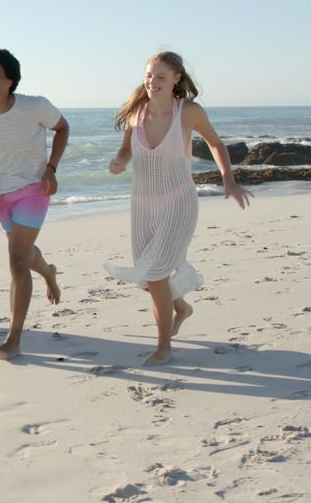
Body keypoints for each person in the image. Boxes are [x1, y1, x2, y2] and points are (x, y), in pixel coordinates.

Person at [105, 51, 252, 366]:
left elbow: (215, 143)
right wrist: (120, 160)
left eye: (160, 76)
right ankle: (181, 307)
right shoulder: (136, 114)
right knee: (148, 278)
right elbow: (127, 148)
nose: (152, 82)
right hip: (142, 207)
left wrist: (228, 179)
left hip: (179, 202)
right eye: (148, 75)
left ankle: (164, 347)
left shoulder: (189, 112)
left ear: (176, 78)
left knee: (156, 276)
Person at [0, 48, 68, 361]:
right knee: (23, 254)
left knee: (17, 260)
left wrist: (51, 169)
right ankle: (48, 271)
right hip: (1, 193)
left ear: (10, 80)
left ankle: (14, 338)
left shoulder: (35, 106)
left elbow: (63, 128)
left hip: (35, 188)